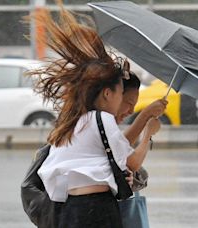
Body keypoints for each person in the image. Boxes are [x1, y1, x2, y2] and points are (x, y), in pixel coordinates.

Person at [27, 3, 164, 228]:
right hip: (97, 207)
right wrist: (148, 132)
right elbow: (132, 161)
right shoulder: (102, 120)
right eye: (121, 95)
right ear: (107, 93)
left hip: (68, 209)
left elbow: (108, 152)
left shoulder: (75, 119)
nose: (122, 104)